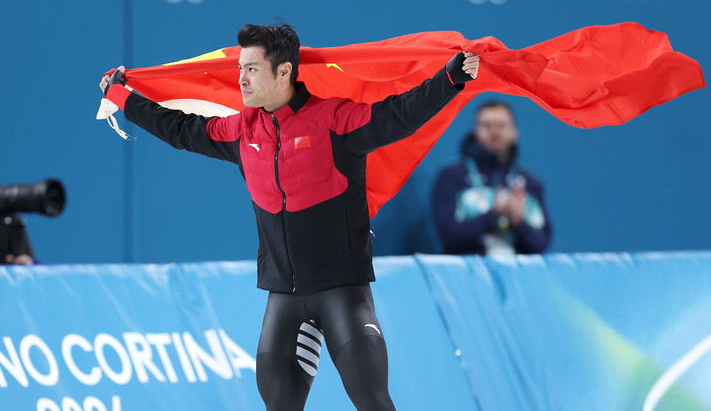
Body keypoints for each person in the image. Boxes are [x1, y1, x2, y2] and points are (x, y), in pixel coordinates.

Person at [99, 22, 480, 411]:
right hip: (283, 296)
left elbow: (399, 114)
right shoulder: (242, 130)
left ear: (284, 72)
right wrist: (122, 97)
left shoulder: (334, 120)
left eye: (251, 69)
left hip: (342, 292)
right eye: (240, 68)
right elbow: (179, 128)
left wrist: (449, 80)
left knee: (373, 402)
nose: (241, 79)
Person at [432, 100, 552, 256]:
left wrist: (518, 222)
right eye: (487, 126)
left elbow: (542, 244)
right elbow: (448, 235)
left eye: (502, 125)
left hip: (515, 270)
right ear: (476, 133)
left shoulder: (530, 183)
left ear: (515, 132)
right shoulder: (452, 177)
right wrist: (492, 216)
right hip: (467, 270)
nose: (495, 132)